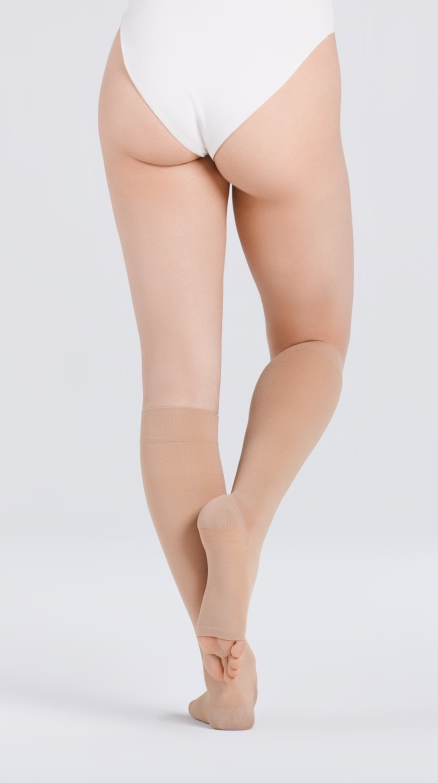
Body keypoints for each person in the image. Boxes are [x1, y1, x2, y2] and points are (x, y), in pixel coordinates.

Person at [97, 0, 353, 730]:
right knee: (311, 341)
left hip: (152, 59)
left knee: (175, 396)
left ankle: (224, 675)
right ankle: (247, 516)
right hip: (279, 56)